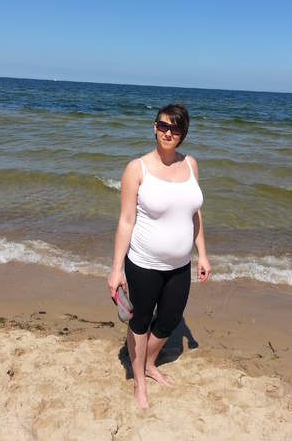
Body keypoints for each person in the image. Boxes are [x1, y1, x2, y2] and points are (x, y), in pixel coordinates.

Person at [107, 103, 211, 409]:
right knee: (140, 322)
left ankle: (149, 363)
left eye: (175, 128)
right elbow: (126, 221)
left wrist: (202, 254)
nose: (168, 132)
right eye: (163, 126)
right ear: (154, 128)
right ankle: (139, 380)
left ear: (182, 134)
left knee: (168, 320)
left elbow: (195, 214)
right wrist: (116, 270)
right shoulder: (136, 168)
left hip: (180, 265)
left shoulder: (190, 165)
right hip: (143, 264)